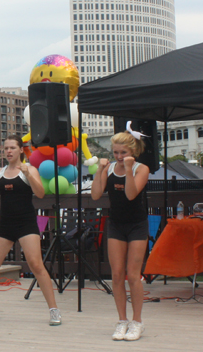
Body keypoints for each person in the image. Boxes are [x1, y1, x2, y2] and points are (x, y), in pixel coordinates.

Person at [0, 135, 62, 326]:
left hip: (26, 223)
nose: (9, 151)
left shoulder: (29, 169)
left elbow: (40, 193)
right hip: (5, 224)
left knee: (36, 265)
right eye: (6, 148)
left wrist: (28, 174)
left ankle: (54, 310)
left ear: (21, 150)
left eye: (12, 148)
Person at [91, 130, 150, 341]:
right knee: (116, 274)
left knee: (133, 275)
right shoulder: (110, 168)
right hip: (115, 224)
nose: (118, 156)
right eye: (115, 152)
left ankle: (137, 322)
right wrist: (100, 170)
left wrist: (128, 169)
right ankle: (122, 320)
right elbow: (96, 195)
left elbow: (131, 194)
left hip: (137, 225)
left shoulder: (141, 169)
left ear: (133, 151)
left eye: (123, 152)